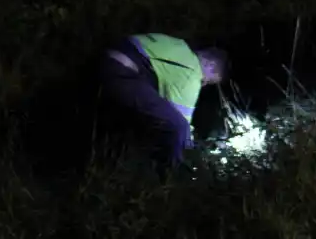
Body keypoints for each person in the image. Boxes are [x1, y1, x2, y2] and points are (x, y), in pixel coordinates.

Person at [97, 32, 228, 171]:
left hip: (110, 59)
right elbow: (181, 124)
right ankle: (170, 177)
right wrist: (192, 150)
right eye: (209, 80)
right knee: (178, 127)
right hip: (122, 74)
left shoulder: (179, 45)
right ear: (210, 65)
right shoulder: (191, 73)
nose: (204, 83)